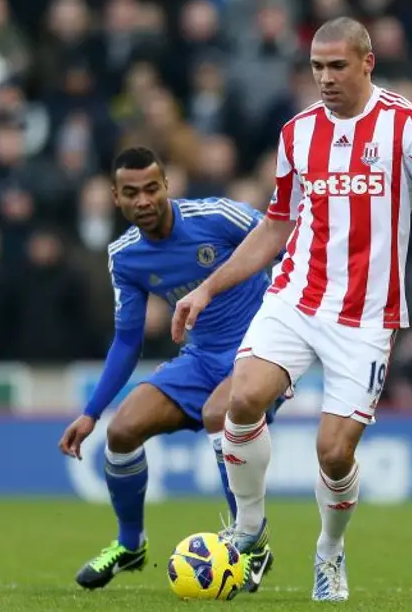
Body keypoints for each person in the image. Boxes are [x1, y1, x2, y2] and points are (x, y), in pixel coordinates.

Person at [171, 17, 412, 602]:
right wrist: (208, 287)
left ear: (366, 62)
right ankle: (250, 530)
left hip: (365, 316)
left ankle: (329, 552)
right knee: (241, 398)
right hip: (296, 296)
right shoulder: (297, 133)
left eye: (337, 66)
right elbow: (276, 224)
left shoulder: (404, 124)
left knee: (333, 453)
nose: (325, 79)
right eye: (316, 67)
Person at [58, 146, 282, 591]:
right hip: (200, 360)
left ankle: (250, 542)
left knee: (222, 414)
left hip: (261, 349)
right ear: (115, 198)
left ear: (167, 188)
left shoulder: (219, 215)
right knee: (122, 431)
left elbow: (282, 241)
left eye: (150, 189)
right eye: (130, 192)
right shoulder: (124, 256)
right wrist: (91, 412)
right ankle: (130, 544)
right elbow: (127, 339)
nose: (143, 200)